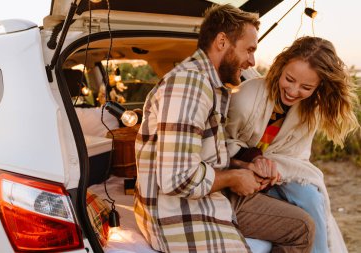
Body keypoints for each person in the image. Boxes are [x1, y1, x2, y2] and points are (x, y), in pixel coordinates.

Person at [134, 4, 315, 253]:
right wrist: (233, 178)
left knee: (303, 225)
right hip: (180, 214)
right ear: (222, 41)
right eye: (249, 50)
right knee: (301, 230)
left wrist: (244, 167)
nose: (252, 60)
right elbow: (176, 179)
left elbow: (201, 158)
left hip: (206, 196)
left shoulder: (209, 85)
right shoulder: (190, 85)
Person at [226, 36, 360, 253]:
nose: (293, 91)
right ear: (281, 67)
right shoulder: (245, 97)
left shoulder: (309, 113)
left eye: (306, 87)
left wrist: (272, 168)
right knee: (306, 211)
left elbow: (296, 160)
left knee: (312, 197)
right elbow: (221, 146)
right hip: (238, 172)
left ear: (319, 87)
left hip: (278, 177)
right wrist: (254, 162)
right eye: (289, 79)